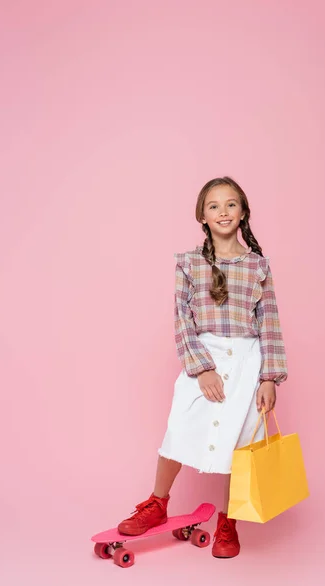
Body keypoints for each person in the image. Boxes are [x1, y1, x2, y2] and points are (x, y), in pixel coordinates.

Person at [117, 176, 288, 559]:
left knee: (239, 445)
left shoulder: (259, 266)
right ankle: (157, 503)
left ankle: (229, 522)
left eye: (231, 204)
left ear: (243, 213)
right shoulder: (188, 263)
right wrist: (201, 368)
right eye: (214, 206)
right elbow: (182, 319)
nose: (223, 212)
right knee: (179, 427)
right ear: (202, 215)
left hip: (247, 362)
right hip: (204, 357)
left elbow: (270, 322)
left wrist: (269, 377)